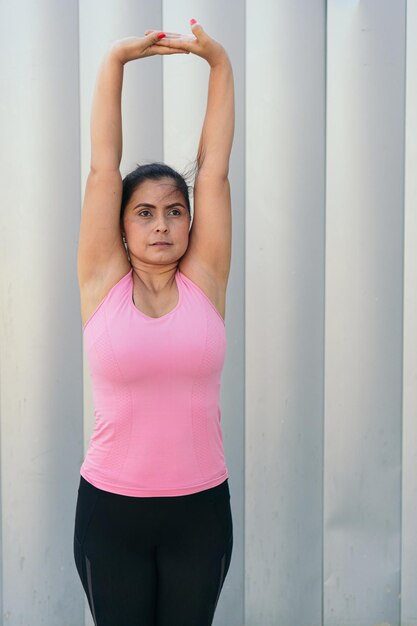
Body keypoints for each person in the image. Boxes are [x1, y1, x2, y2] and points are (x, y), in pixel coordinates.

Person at [73, 18, 235, 626]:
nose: (162, 224)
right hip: (111, 512)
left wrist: (219, 65)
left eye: (174, 211)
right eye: (144, 213)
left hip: (200, 511)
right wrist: (115, 61)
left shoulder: (207, 284)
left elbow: (213, 169)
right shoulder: (101, 287)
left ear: (191, 224)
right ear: (121, 226)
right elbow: (101, 170)